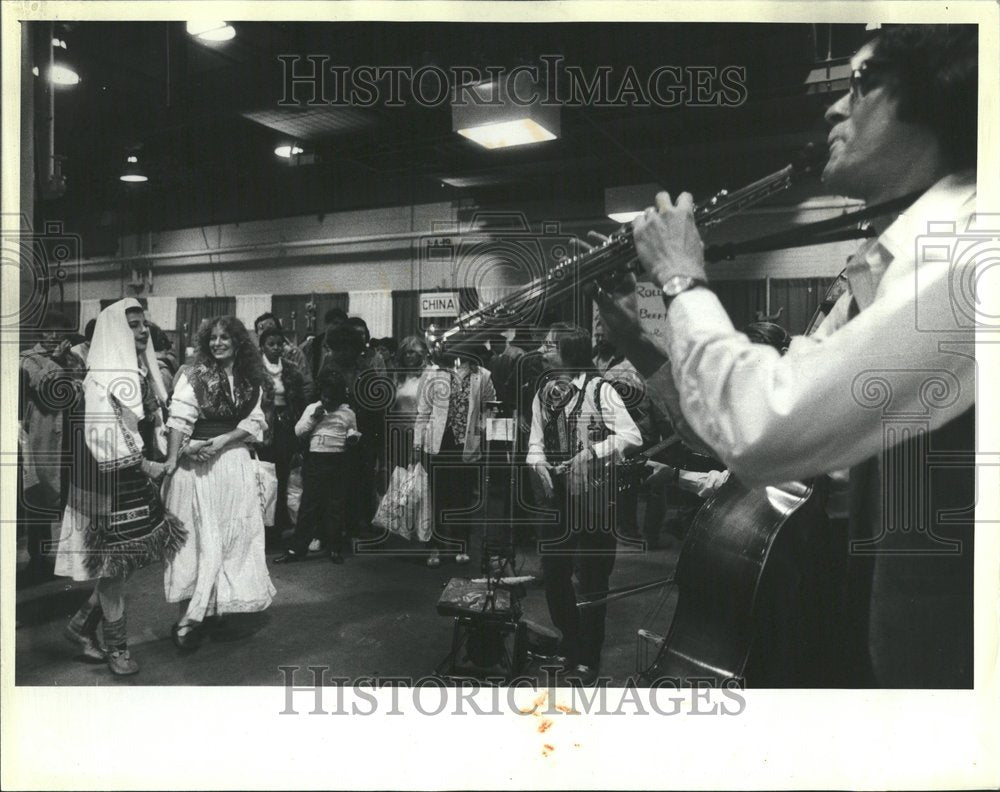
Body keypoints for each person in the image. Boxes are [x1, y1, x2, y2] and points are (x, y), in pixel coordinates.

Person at [595, 24, 977, 688]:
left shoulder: (971, 251)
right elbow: (739, 445)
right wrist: (639, 342)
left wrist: (684, 281)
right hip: (840, 623)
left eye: (860, 85)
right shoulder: (877, 266)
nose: (834, 107)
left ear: (939, 92)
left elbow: (766, 426)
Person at [55, 298, 185, 676]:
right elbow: (107, 444)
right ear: (115, 331)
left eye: (143, 323)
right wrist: (152, 465)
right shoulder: (100, 380)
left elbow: (152, 423)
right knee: (113, 572)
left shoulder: (137, 374)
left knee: (121, 570)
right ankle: (117, 650)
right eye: (133, 325)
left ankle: (79, 628)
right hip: (106, 489)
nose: (143, 330)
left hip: (131, 484)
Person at [526, 322, 643, 684]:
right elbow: (534, 439)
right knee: (556, 575)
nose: (544, 350)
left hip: (595, 498)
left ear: (570, 352)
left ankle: (588, 656)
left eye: (550, 345)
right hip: (557, 498)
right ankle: (570, 643)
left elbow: (631, 436)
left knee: (593, 579)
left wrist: (591, 453)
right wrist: (536, 461)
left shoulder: (600, 389)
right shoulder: (544, 390)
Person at [162, 315, 275, 650]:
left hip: (233, 464)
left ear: (238, 341)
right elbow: (178, 420)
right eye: (212, 338)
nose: (218, 343)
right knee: (197, 542)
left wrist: (226, 438)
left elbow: (255, 421)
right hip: (198, 468)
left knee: (231, 540)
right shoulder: (194, 376)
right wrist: (176, 456)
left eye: (225, 337)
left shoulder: (251, 378)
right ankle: (189, 619)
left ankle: (215, 609)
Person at [413, 342, 497, 567]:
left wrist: (483, 429)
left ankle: (461, 544)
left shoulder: (483, 375)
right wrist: (417, 443)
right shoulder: (434, 373)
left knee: (462, 497)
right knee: (437, 496)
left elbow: (491, 405)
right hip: (439, 443)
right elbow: (423, 410)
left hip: (466, 444)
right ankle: (435, 546)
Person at [18, 311, 86, 583]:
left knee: (71, 496)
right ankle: (37, 557)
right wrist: (57, 360)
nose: (55, 336)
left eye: (60, 331)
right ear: (40, 333)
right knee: (40, 496)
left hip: (71, 433)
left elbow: (82, 384)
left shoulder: (73, 358)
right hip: (43, 438)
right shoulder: (28, 359)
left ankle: (67, 556)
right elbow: (42, 385)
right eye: (49, 331)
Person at [273, 368, 360, 565]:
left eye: (333, 398)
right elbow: (298, 431)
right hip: (316, 460)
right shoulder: (313, 408)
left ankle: (335, 548)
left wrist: (352, 437)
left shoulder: (347, 412)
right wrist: (314, 418)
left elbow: (353, 430)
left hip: (338, 460)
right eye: (325, 396)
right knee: (308, 505)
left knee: (335, 506)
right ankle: (297, 549)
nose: (328, 401)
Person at [257, 325, 307, 545]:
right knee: (264, 477)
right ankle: (262, 528)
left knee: (283, 476)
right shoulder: (253, 369)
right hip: (263, 428)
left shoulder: (291, 368)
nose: (276, 348)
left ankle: (278, 525)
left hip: (285, 427)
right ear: (262, 346)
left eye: (279, 343)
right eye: (271, 344)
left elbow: (298, 401)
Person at [254, 312, 313, 397]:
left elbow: (307, 386)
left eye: (270, 328)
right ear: (257, 335)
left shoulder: (294, 354)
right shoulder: (254, 356)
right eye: (261, 329)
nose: (266, 332)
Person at [299, 307, 348, 383]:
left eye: (341, 325)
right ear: (326, 324)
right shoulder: (311, 345)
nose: (338, 327)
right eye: (335, 323)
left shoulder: (344, 348)